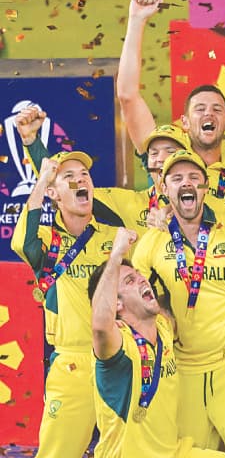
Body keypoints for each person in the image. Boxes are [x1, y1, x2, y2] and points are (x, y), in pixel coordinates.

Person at [131, 150, 225, 455]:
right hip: (185, 368)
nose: (186, 183)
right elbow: (132, 294)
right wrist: (161, 310)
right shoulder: (151, 242)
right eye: (177, 178)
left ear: (205, 187)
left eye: (194, 178)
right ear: (164, 188)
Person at [88, 227, 225, 458]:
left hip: (173, 452)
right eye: (129, 280)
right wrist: (115, 255)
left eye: (138, 274)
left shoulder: (163, 327)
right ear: (116, 304)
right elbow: (99, 325)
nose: (141, 279)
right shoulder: (118, 346)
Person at [11, 152, 120, 457]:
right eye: (68, 176)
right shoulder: (47, 241)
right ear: (53, 193)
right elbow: (21, 243)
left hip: (118, 360)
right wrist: (43, 178)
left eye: (84, 173)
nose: (80, 179)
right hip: (72, 363)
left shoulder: (116, 238)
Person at [118, 0, 225, 210]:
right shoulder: (164, 162)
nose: (208, 114)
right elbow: (127, 96)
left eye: (216, 109)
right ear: (184, 122)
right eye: (200, 109)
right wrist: (136, 21)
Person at [15, 104, 196, 233]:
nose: (160, 159)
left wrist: (174, 212)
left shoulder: (212, 197)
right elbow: (65, 184)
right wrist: (31, 142)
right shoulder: (128, 204)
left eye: (171, 151)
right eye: (154, 153)